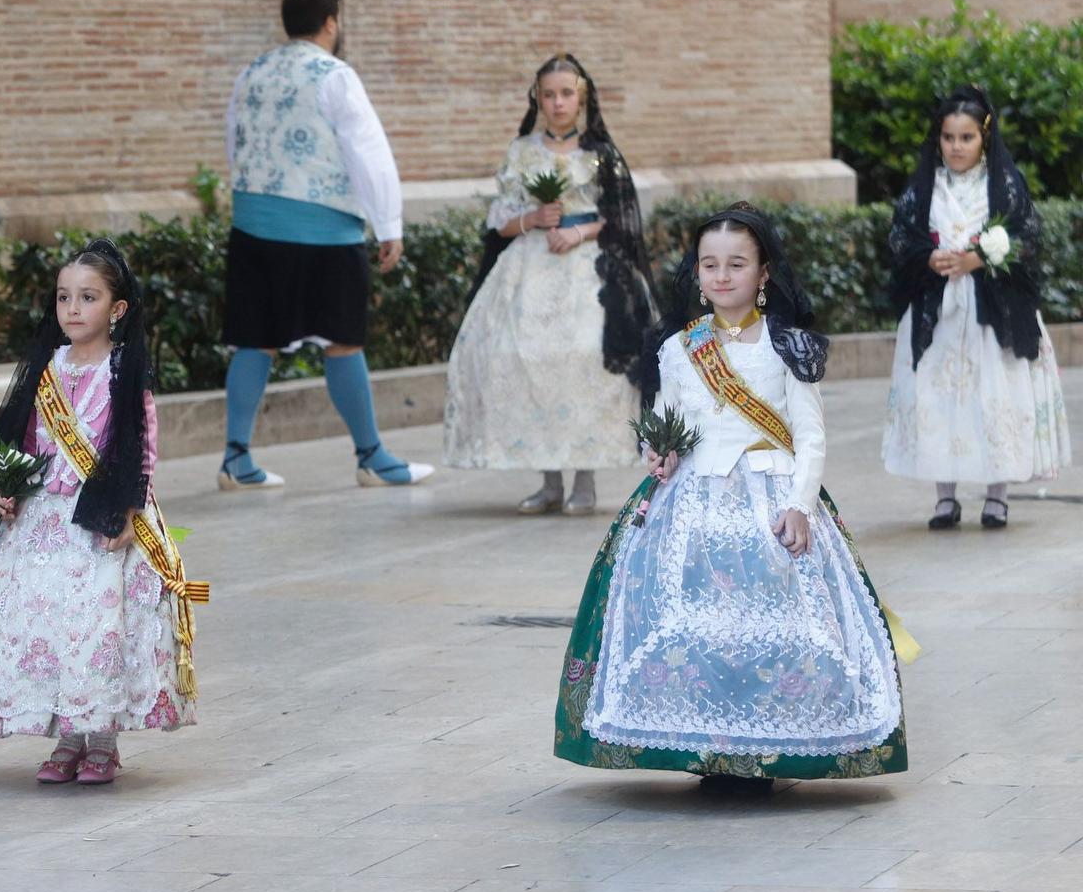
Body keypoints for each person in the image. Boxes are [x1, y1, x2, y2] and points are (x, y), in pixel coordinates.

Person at [554, 203, 908, 787]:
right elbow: (667, 416)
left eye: (737, 264)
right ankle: (706, 746)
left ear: (763, 273)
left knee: (779, 629)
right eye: (709, 264)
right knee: (691, 625)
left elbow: (810, 435)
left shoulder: (787, 346)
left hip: (771, 498)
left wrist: (800, 503)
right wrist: (657, 450)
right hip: (692, 501)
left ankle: (771, 746)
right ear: (695, 273)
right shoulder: (680, 347)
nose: (722, 276)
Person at [0, 240, 203, 785]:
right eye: (64, 297)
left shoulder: (123, 371)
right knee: (52, 624)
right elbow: (24, 441)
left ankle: (102, 740)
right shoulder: (47, 370)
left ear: (117, 309)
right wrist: (3, 488)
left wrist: (129, 512)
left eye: (88, 297)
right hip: (42, 522)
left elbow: (142, 446)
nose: (73, 309)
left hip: (101, 521)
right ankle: (67, 737)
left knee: (98, 624)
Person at [217, 0, 432, 491]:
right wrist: (389, 224)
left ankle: (236, 459)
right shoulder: (335, 76)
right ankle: (371, 457)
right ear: (331, 22)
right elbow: (367, 151)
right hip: (325, 230)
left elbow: (234, 141)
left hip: (253, 225)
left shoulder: (251, 73)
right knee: (343, 342)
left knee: (254, 340)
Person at [443, 55, 655, 515]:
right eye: (549, 94)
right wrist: (533, 219)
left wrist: (578, 231)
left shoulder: (600, 152)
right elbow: (498, 221)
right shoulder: (522, 151)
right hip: (529, 264)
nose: (557, 103)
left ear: (581, 98)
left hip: (588, 270)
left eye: (566, 94)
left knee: (585, 360)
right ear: (537, 99)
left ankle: (585, 478)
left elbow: (620, 216)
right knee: (526, 360)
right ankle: (549, 481)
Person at [883, 85, 1070, 528]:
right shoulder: (926, 186)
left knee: (993, 394)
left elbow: (1026, 237)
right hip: (939, 308)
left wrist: (980, 257)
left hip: (990, 308)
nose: (956, 147)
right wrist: (929, 258)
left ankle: (997, 496)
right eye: (948, 138)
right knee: (938, 394)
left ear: (984, 137)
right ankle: (944, 497)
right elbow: (901, 237)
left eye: (966, 138)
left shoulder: (1002, 183)